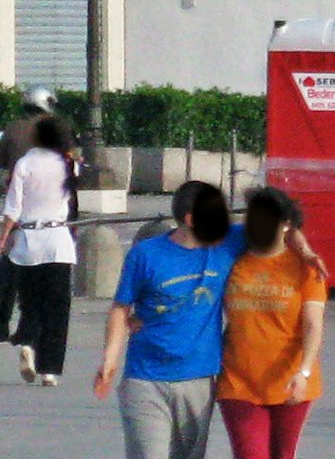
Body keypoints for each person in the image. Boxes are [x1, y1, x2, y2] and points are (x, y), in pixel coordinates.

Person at [96, 176, 237, 459]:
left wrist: (306, 252)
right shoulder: (146, 254)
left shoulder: (227, 245)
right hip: (145, 379)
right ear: (191, 220)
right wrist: (110, 359)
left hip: (198, 379)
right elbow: (121, 308)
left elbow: (282, 223)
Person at [215, 186, 330, 459]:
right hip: (238, 382)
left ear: (285, 224)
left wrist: (302, 373)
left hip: (290, 382)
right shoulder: (231, 257)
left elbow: (313, 326)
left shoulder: (305, 268)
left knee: (283, 454)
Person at [0, 111, 81, 386]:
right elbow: (73, 205)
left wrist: (2, 240)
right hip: (58, 240)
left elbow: (12, 208)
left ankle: (28, 344)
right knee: (57, 309)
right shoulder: (67, 165)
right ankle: (50, 369)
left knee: (31, 303)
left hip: (28, 243)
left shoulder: (24, 163)